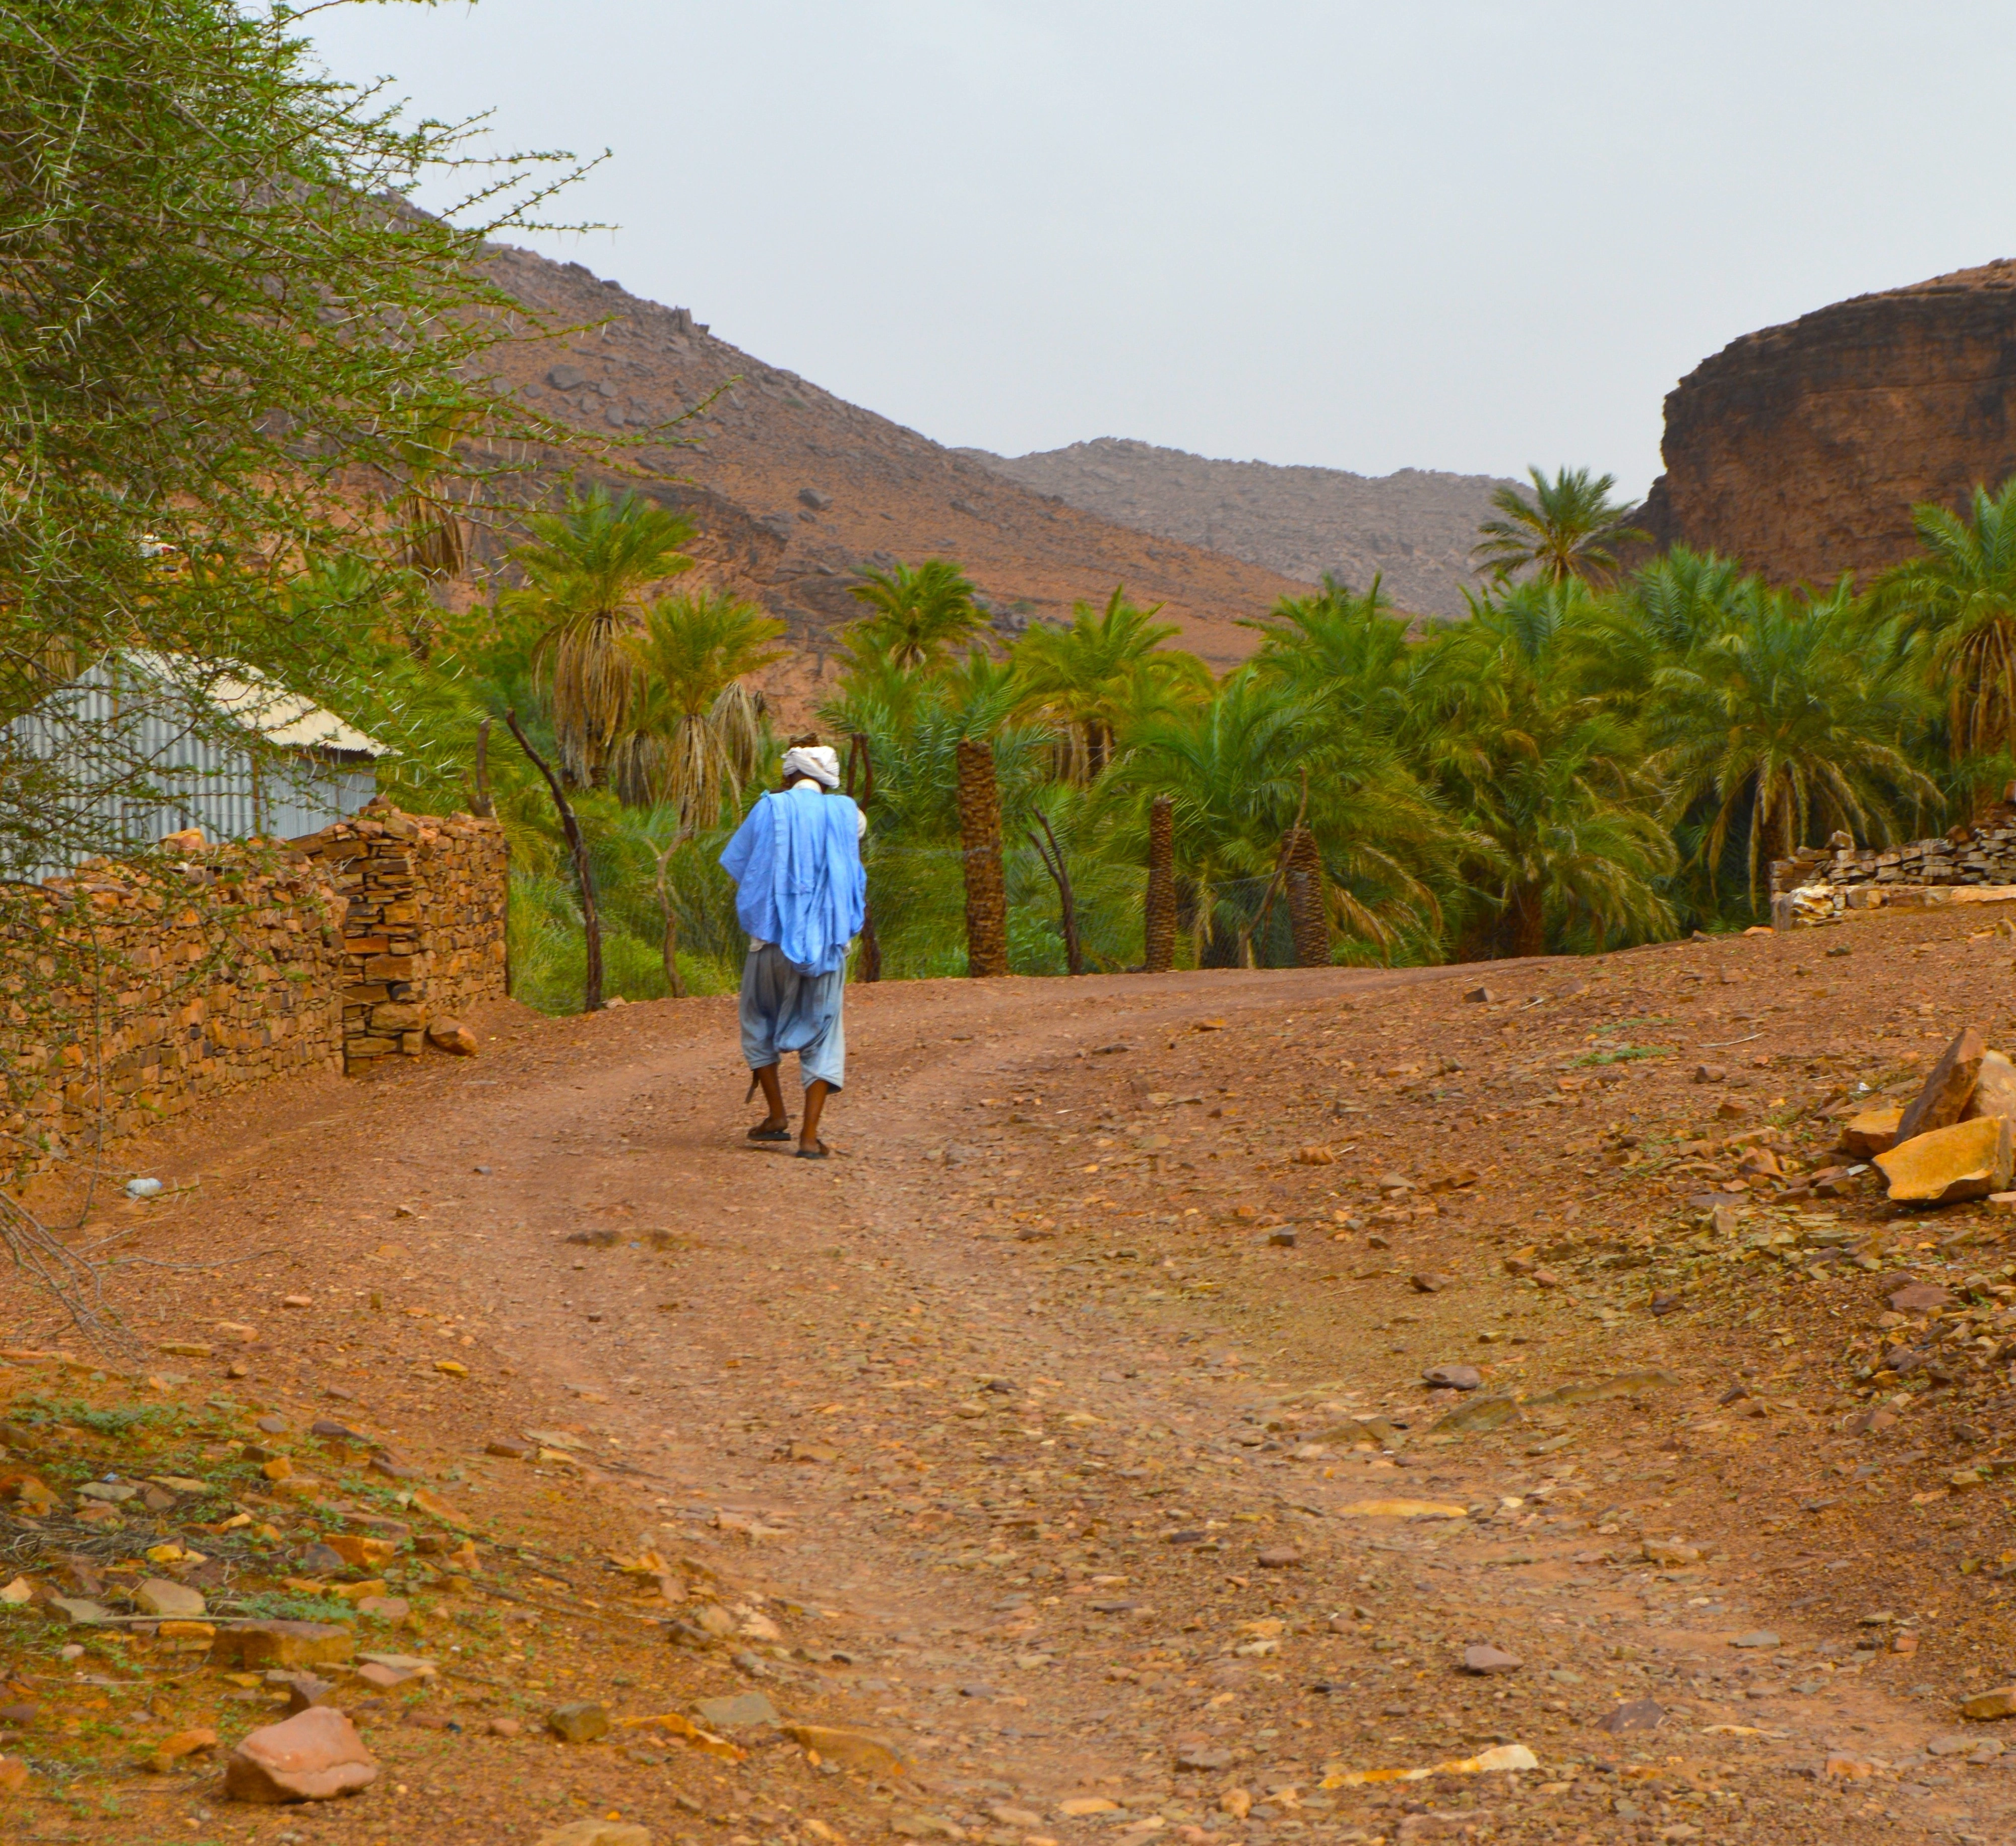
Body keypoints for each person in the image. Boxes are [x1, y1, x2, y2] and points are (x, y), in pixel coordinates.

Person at [718, 742, 867, 1158]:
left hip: (769, 943)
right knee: (824, 1035)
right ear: (827, 779)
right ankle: (809, 1137)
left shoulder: (769, 809)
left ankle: (777, 1116)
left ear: (788, 775)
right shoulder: (849, 815)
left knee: (756, 1022)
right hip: (828, 946)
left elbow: (742, 865)